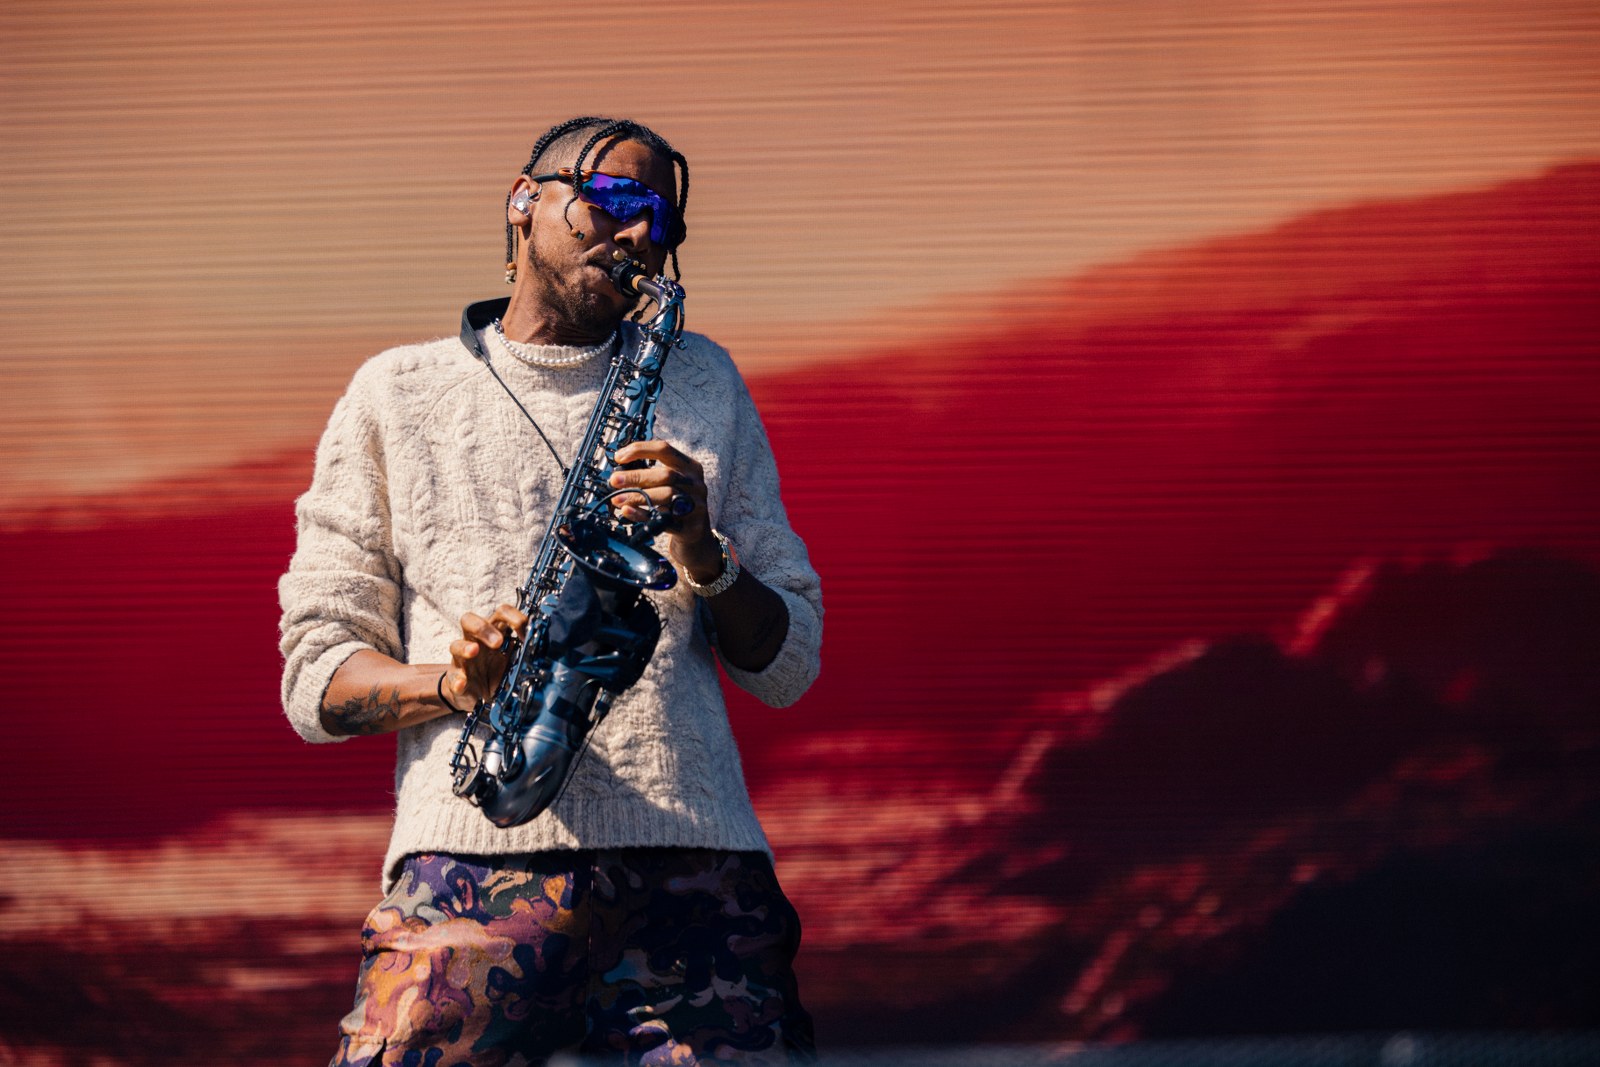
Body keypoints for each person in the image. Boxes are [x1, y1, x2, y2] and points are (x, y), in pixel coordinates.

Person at [278, 116, 821, 1065]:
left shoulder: (704, 379)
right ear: (524, 201)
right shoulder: (394, 393)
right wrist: (455, 684)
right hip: (470, 868)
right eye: (617, 202)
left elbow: (789, 664)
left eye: (663, 221)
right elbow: (315, 678)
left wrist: (703, 547)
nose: (641, 234)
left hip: (697, 874)